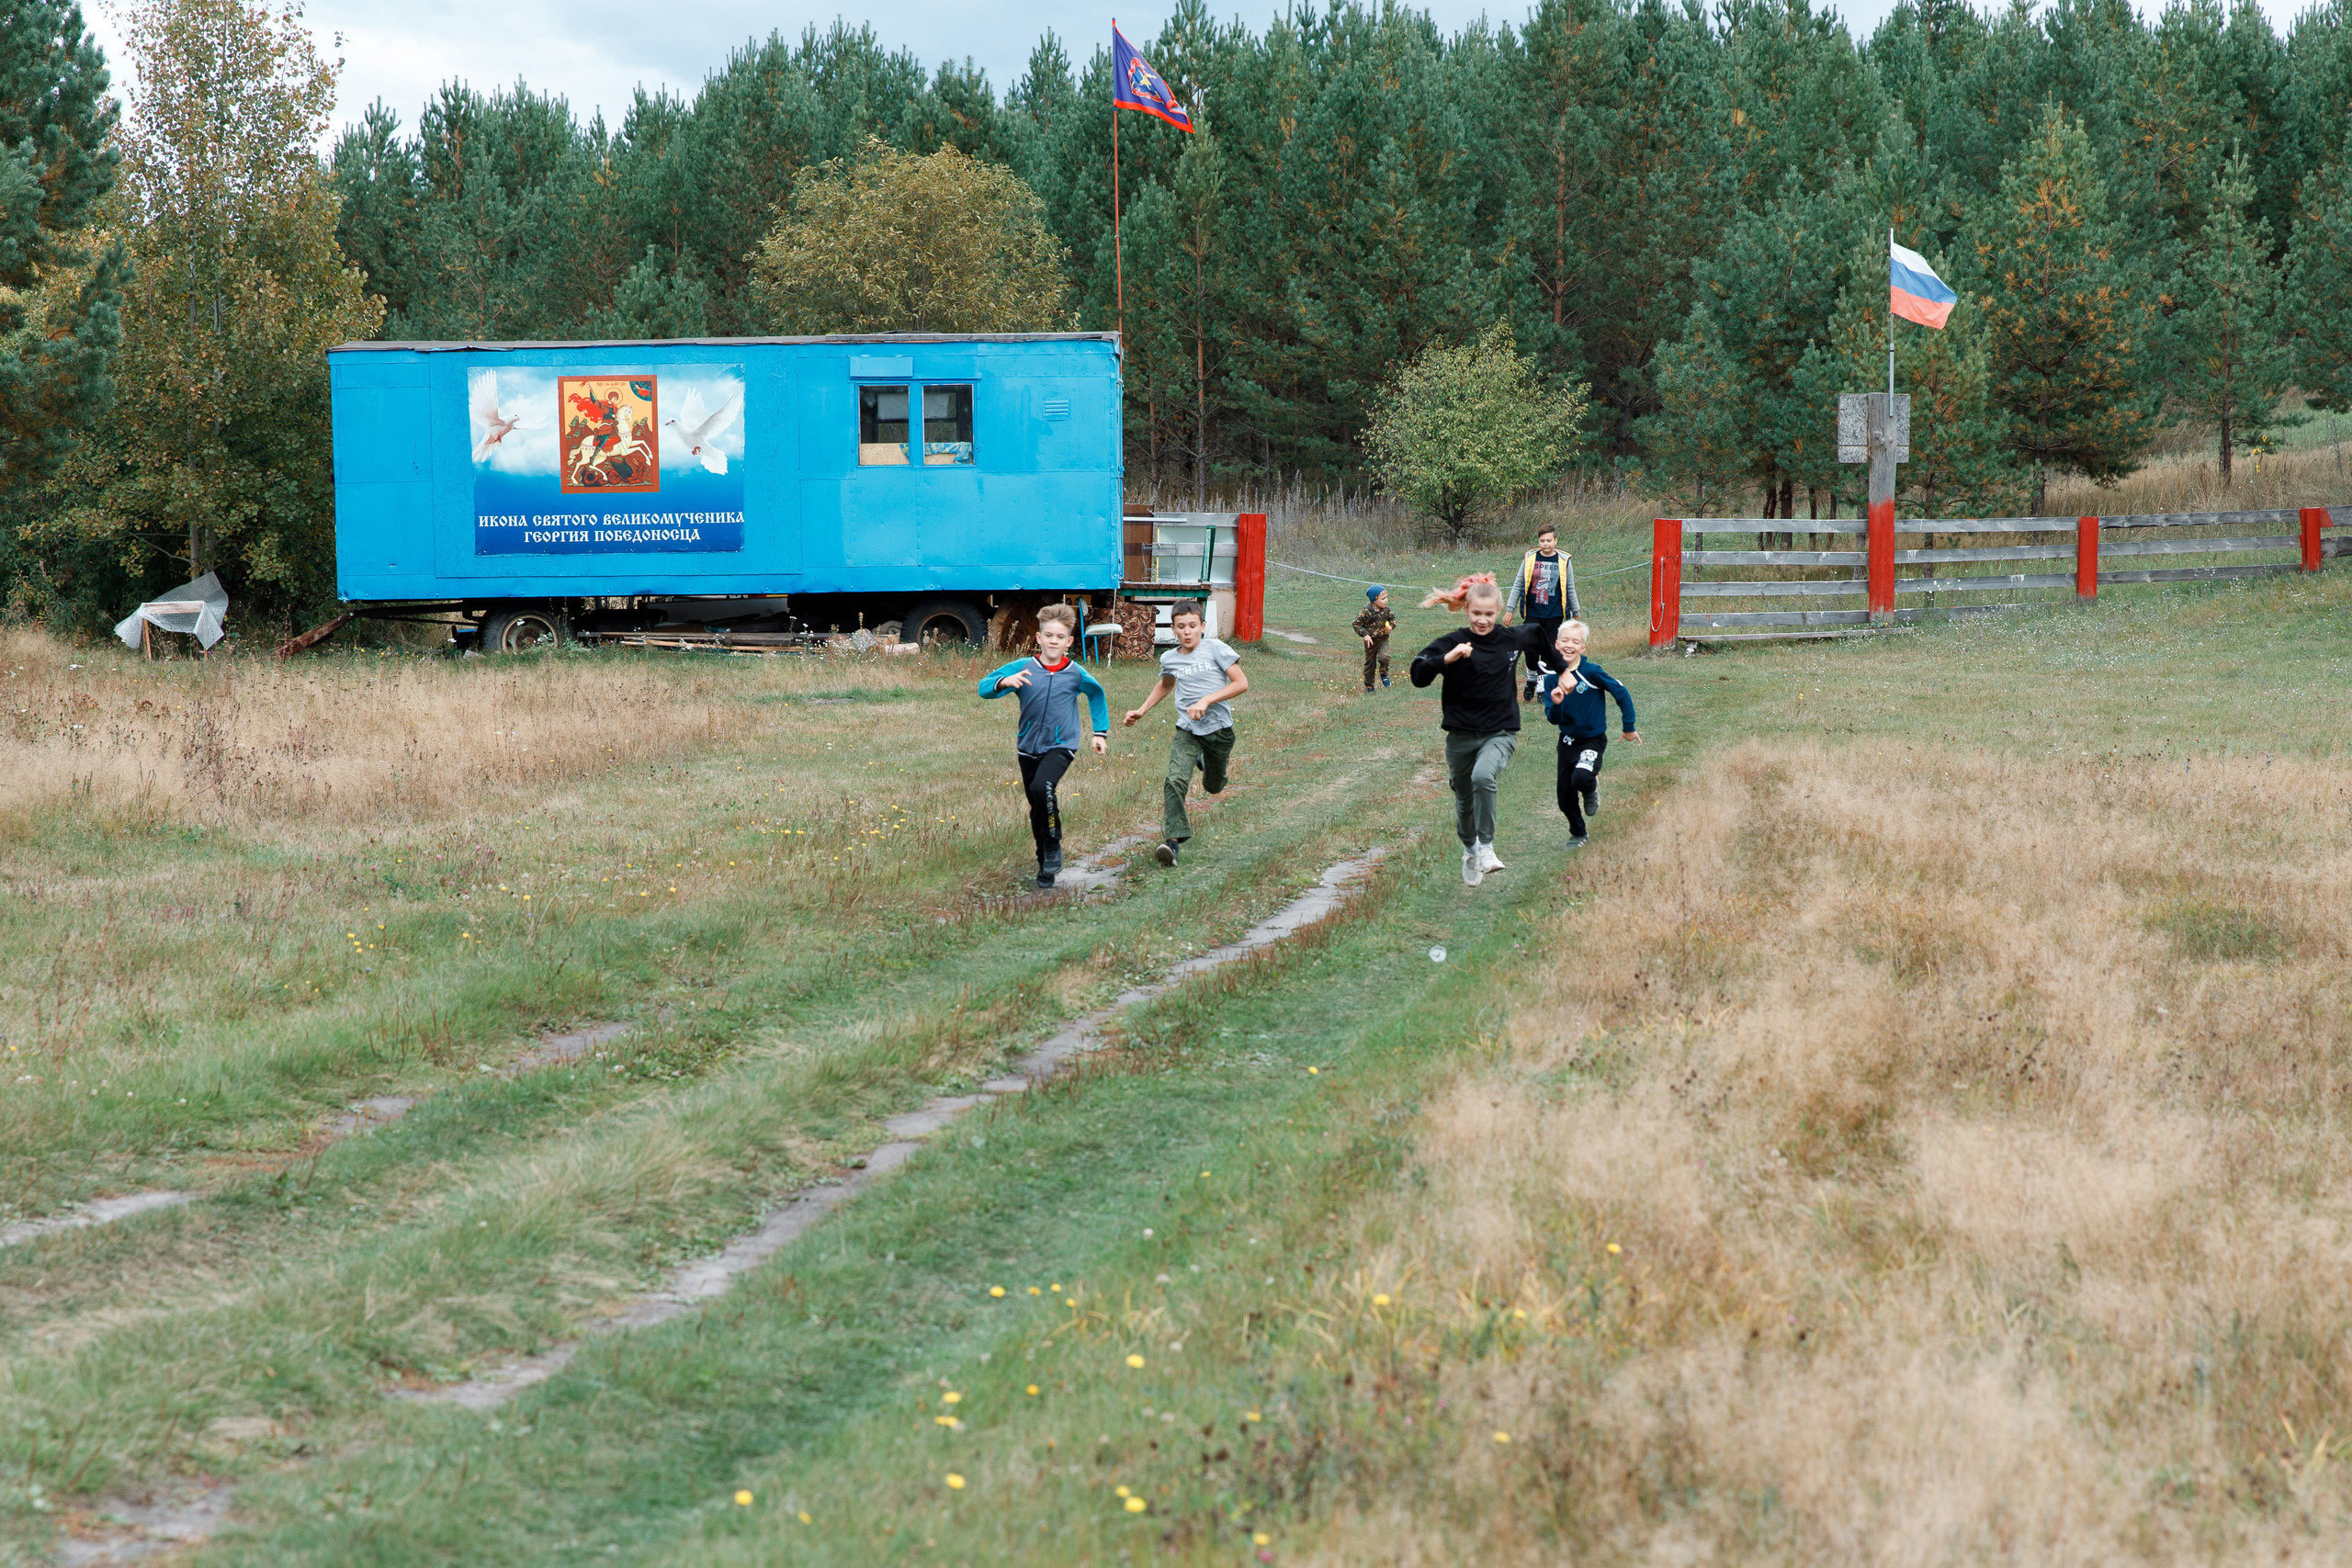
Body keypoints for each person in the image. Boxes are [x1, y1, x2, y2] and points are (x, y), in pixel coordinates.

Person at [1408, 579, 1548, 886]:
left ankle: (1486, 848)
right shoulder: (1453, 642)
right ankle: (1470, 849)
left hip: (1500, 731)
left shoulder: (1510, 639)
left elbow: (1537, 634)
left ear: (1498, 610)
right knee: (1463, 796)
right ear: (1467, 611)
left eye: (1488, 614)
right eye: (1476, 614)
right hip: (1460, 735)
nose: (1482, 620)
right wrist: (1447, 659)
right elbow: (1418, 674)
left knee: (1482, 777)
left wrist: (1561, 669)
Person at [978, 604, 1108, 887]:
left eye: (1060, 637)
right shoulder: (1024, 668)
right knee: (1037, 804)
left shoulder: (1075, 673)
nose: (1053, 641)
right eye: (1048, 635)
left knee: (1042, 788)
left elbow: (1096, 694)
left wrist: (1100, 733)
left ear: (1069, 642)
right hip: (1028, 746)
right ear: (1038, 638)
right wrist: (1004, 682)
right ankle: (1045, 865)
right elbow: (983, 687)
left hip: (1062, 744)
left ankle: (1053, 845)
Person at [1124, 600, 1248, 865]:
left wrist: (1206, 701)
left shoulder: (1216, 649)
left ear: (1203, 627)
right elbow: (1166, 685)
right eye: (1181, 627)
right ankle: (1173, 843)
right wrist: (1142, 710)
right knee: (1174, 780)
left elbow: (1241, 683)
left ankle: (1207, 764)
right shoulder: (1169, 658)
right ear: (1174, 630)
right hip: (1188, 731)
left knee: (1213, 787)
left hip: (1219, 732)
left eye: (1193, 626)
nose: (1188, 631)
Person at [1535, 619, 1640, 850]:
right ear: (1556, 644)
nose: (1569, 645)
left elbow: (1620, 692)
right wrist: (1557, 701)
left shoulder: (1591, 672)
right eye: (1564, 641)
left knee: (1581, 777)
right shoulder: (1552, 678)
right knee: (1564, 797)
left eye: (1575, 641)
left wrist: (1628, 726)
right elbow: (1553, 719)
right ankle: (1578, 833)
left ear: (1583, 648)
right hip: (1567, 742)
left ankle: (1590, 788)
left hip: (1592, 740)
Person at [1506, 524, 1580, 699]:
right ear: (1538, 541)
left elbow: (1570, 588)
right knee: (1531, 650)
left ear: (1555, 541)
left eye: (1549, 540)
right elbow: (1518, 584)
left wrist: (1576, 612)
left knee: (1548, 650)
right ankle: (1531, 679)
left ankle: (1541, 687)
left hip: (1554, 614)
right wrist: (1510, 610)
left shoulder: (1564, 561)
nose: (1545, 544)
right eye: (1542, 541)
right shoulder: (1530, 559)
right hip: (1533, 612)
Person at [1351, 585, 1396, 693]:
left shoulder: (1387, 610)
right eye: (1383, 599)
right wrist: (1365, 635)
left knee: (1384, 657)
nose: (1386, 601)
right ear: (1375, 599)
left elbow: (1393, 619)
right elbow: (1356, 624)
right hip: (1370, 642)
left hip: (1383, 639)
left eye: (1387, 598)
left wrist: (1390, 626)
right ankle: (1369, 686)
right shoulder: (1366, 611)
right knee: (1370, 664)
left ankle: (1384, 674)